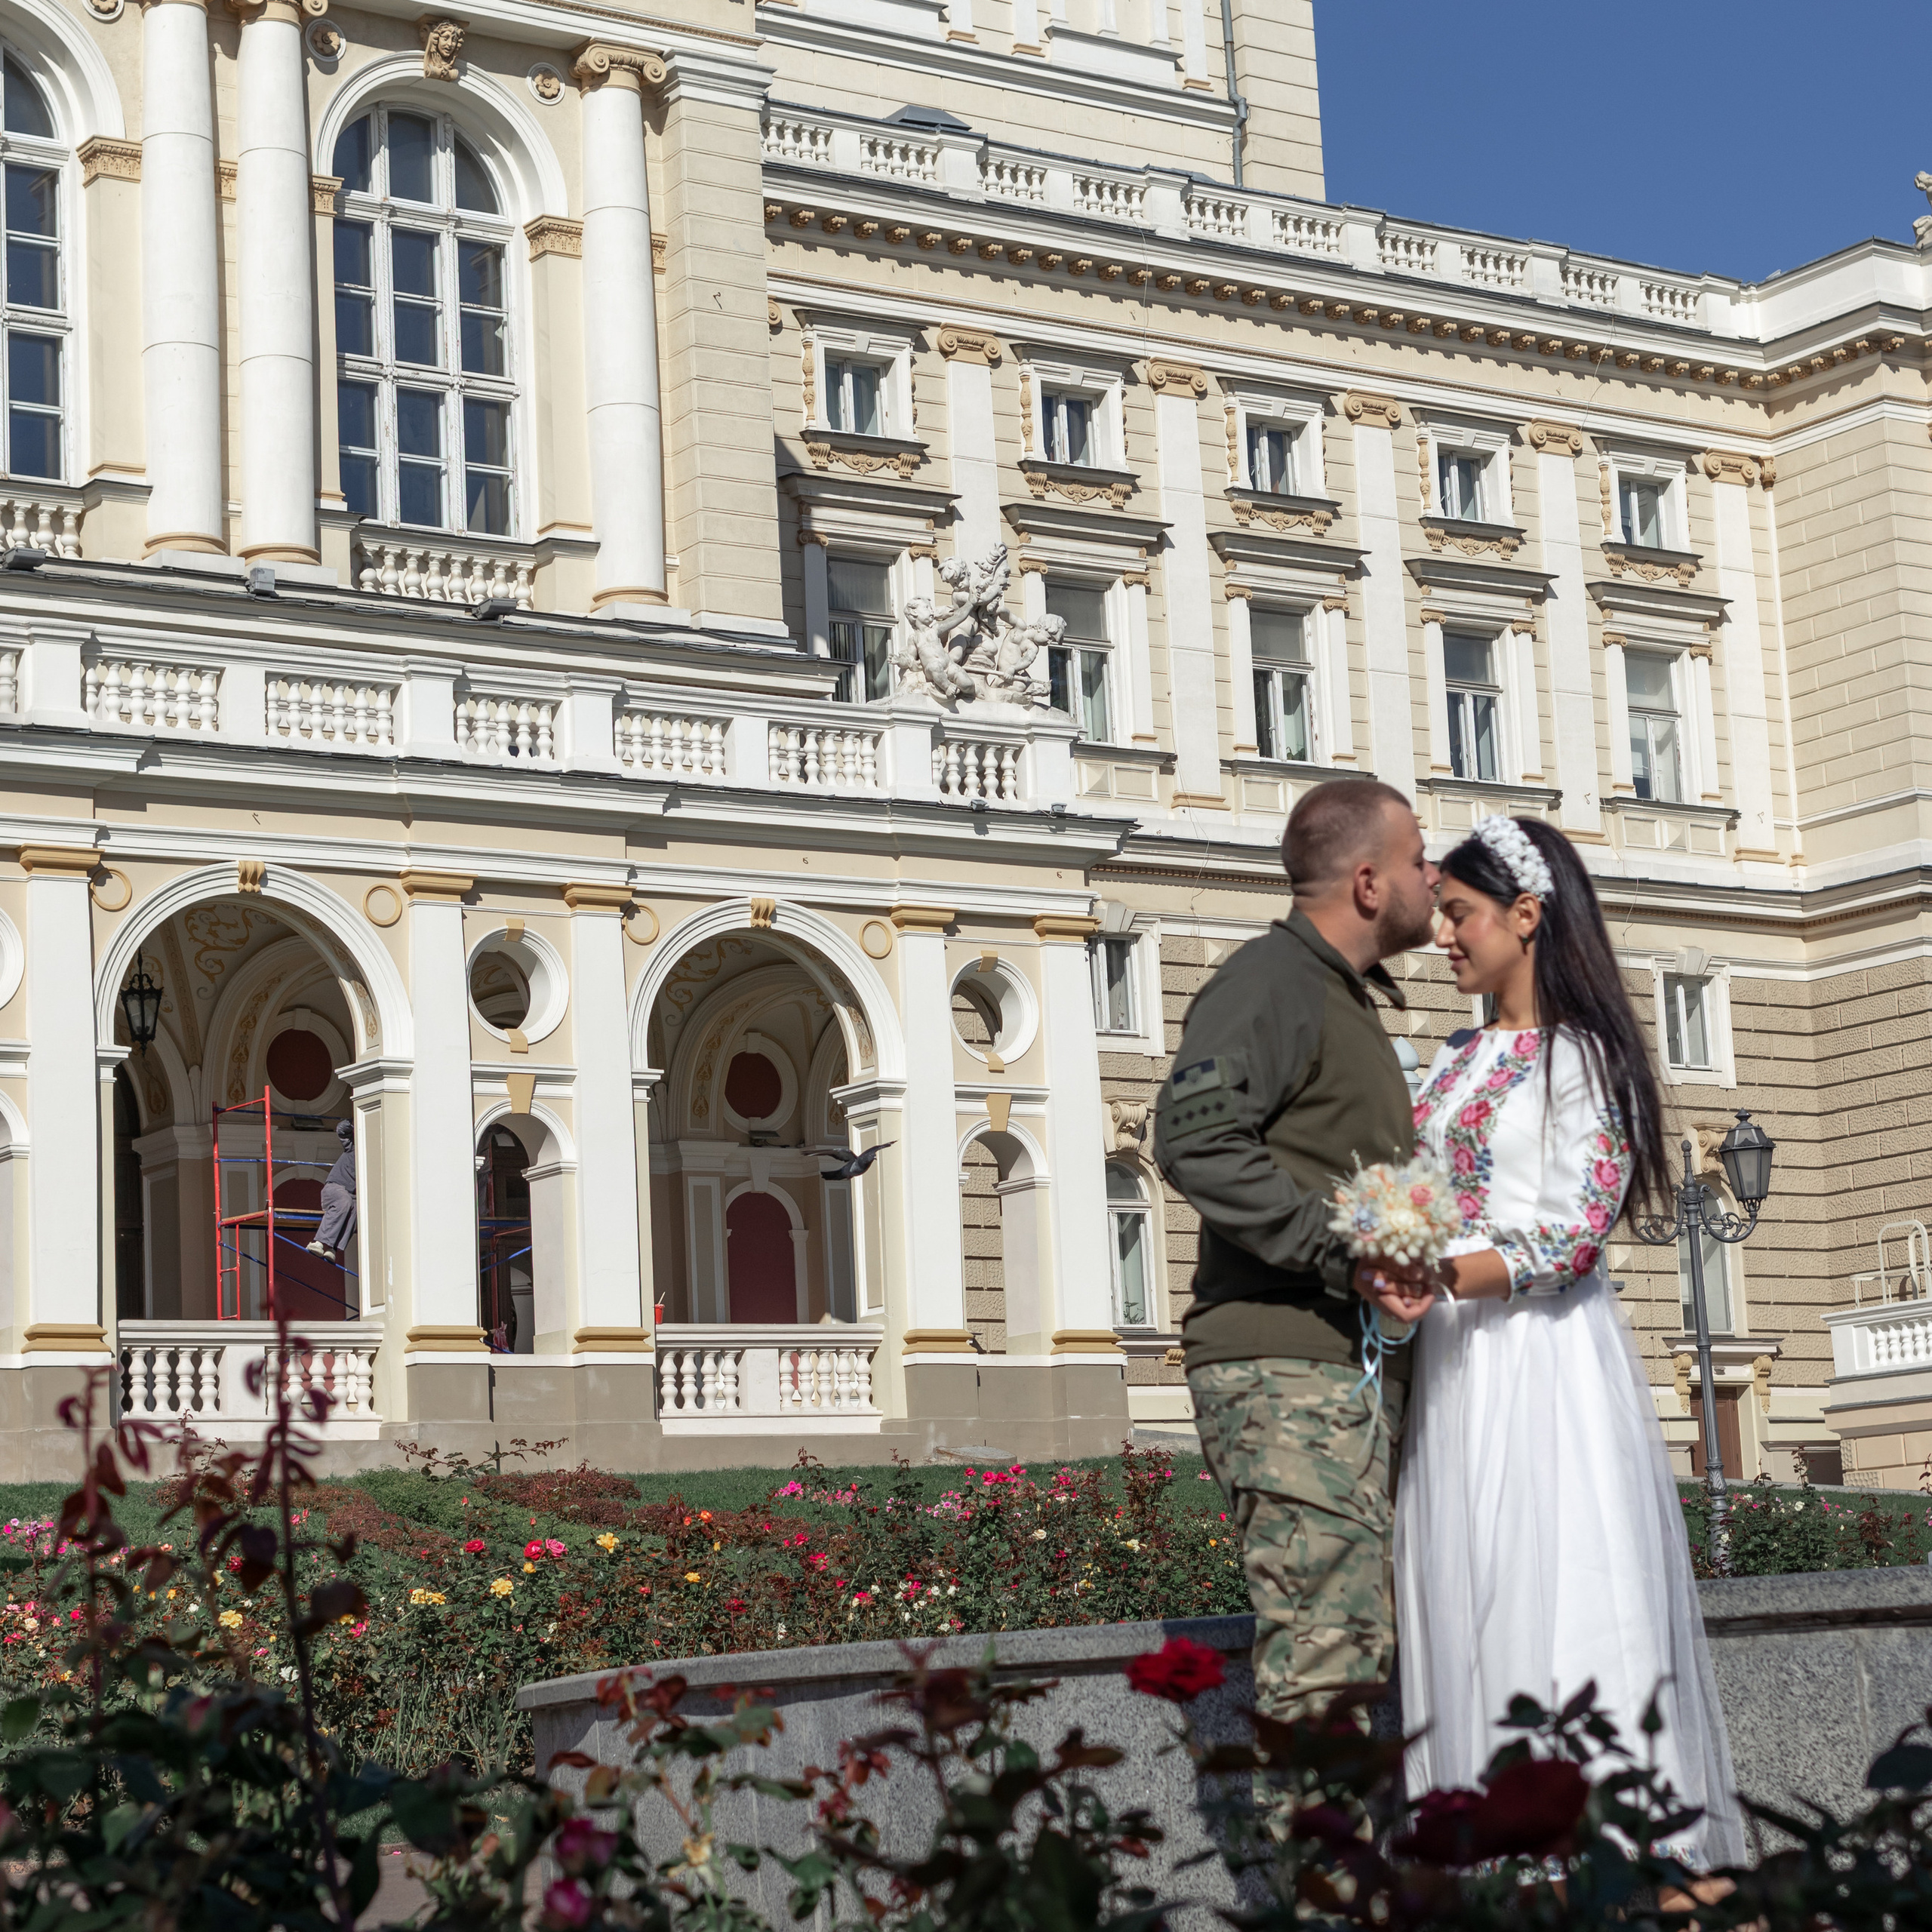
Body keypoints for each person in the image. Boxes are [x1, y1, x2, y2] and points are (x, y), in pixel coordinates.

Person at [1395, 814, 1744, 1863]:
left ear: (1527, 915)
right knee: (1475, 1613)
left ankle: (1658, 1877)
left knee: (1568, 1610)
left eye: (1459, 915)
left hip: (1543, 1367)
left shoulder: (1585, 1061)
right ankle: (1512, 1873)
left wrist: (1435, 1273)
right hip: (1456, 1370)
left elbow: (1571, 1233)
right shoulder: (1449, 1058)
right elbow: (1418, 1194)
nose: (1443, 937)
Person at [1154, 778, 1438, 1718]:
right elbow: (1195, 1140)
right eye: (1416, 859)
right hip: (1283, 1370)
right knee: (1327, 1666)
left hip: (1331, 1368)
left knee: (1351, 1653)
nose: (1431, 878)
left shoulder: (1336, 994)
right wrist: (1342, 1253)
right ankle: (1322, 1871)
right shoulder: (1270, 984)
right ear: (1367, 883)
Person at [307, 1119, 357, 1263]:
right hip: (335, 1188)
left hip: (351, 1195)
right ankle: (319, 1242)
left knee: (356, 1211)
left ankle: (332, 1248)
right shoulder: (355, 1147)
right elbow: (342, 1130)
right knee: (344, 1202)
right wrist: (354, 1124)